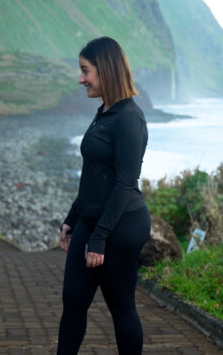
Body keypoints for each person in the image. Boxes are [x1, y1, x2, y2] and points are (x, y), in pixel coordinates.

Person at [57, 36, 152, 354]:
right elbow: (95, 175)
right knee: (73, 301)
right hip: (92, 220)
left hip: (121, 225)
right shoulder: (105, 111)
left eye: (86, 70)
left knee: (121, 307)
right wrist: (73, 218)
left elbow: (124, 182)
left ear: (107, 70)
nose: (81, 78)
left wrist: (98, 239)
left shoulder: (129, 117)